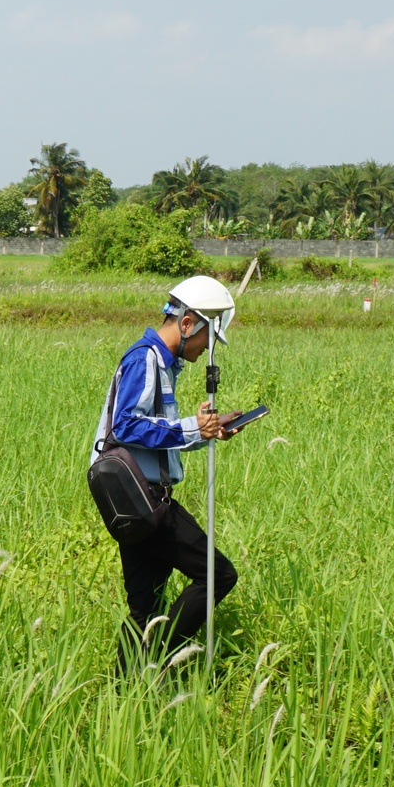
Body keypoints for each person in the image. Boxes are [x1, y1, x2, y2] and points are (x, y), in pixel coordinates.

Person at [92, 275, 244, 662]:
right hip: (144, 501)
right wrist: (193, 426)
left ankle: (125, 689)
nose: (206, 349)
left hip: (137, 501)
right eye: (206, 338)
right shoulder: (145, 358)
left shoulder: (163, 363)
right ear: (189, 324)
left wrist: (206, 432)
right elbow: (125, 425)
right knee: (218, 575)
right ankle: (163, 659)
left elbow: (157, 440)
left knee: (146, 608)